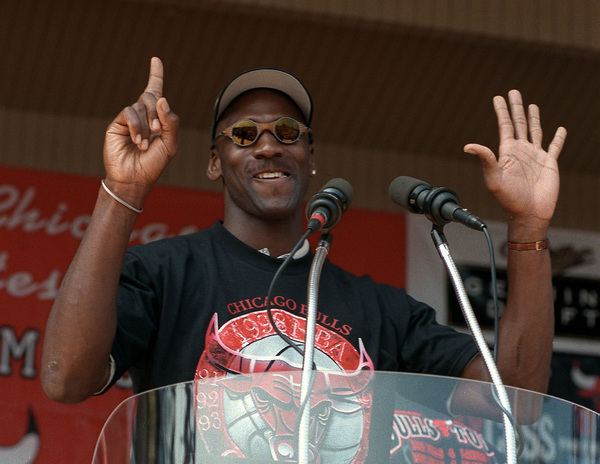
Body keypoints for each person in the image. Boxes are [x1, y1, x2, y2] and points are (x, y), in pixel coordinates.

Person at [41, 56, 565, 417]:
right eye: (245, 134)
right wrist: (124, 188)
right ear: (215, 162)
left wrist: (528, 227)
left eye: (288, 132)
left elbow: (515, 400)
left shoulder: (379, 310)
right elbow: (66, 378)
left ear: (310, 159)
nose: (269, 146)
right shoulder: (164, 273)